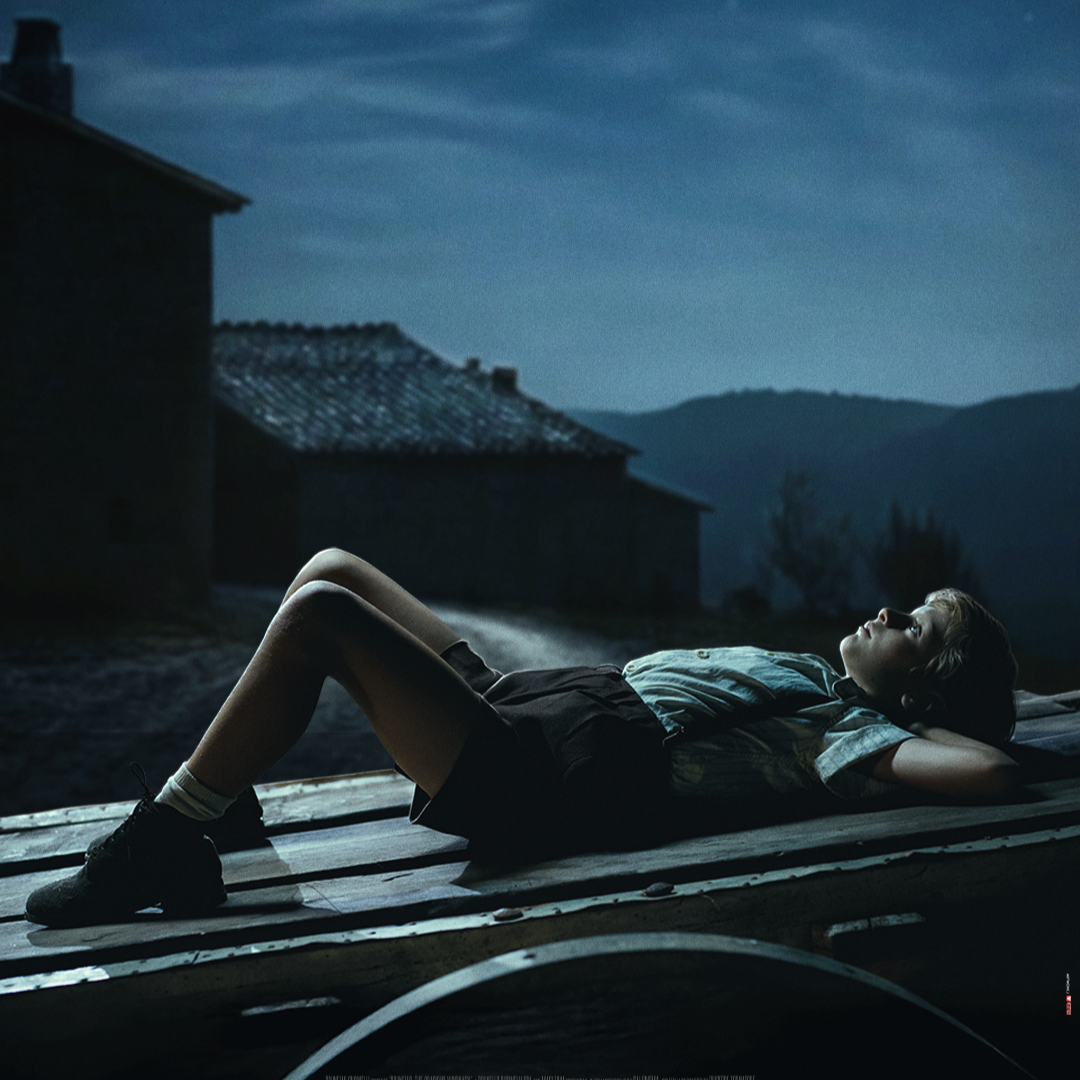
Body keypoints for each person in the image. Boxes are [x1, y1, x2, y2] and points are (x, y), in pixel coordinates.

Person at [24, 548, 1019, 928]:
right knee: (332, 569)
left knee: (319, 618)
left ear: (921, 689)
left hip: (533, 776)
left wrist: (918, 726)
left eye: (916, 629)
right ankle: (223, 805)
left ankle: (164, 838)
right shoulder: (816, 680)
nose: (889, 613)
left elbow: (988, 770)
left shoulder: (847, 734)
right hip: (527, 705)